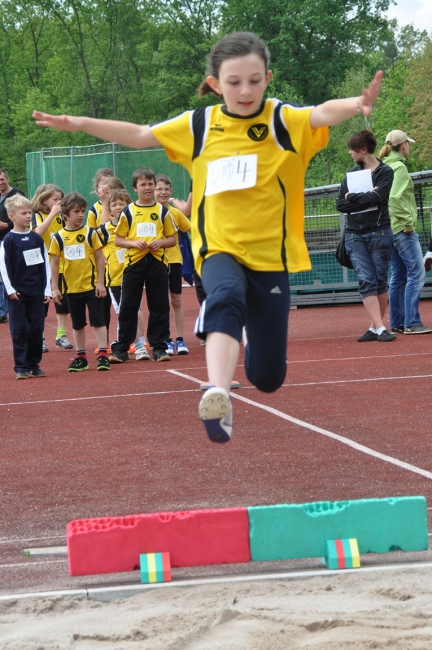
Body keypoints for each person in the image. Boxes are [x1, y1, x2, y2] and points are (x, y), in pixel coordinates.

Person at [33, 31, 383, 443]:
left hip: (271, 255)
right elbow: (140, 133)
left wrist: (356, 105)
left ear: (267, 78)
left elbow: (322, 112)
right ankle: (217, 392)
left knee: (268, 376)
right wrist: (78, 123)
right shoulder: (198, 125)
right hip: (218, 246)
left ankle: (248, 341)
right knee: (225, 296)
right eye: (234, 82)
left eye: (254, 80)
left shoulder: (281, 121)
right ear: (216, 84)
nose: (246, 90)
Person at [106, 168, 176, 364]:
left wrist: (160, 242)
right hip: (134, 262)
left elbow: (172, 239)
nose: (147, 187)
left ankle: (159, 347)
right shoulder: (128, 211)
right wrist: (134, 243)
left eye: (150, 184)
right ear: (135, 188)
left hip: (157, 262)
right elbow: (119, 240)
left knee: (159, 305)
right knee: (128, 305)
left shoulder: (162, 211)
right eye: (143, 184)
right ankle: (121, 349)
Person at [336, 130, 395, 342]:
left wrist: (352, 196)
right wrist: (364, 199)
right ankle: (380, 328)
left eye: (352, 149)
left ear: (363, 149)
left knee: (379, 279)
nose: (350, 152)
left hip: (379, 232)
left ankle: (374, 327)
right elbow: (340, 204)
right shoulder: (351, 174)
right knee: (365, 279)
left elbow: (378, 198)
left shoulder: (385, 172)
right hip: (354, 235)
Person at [49, 192, 110, 372]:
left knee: (98, 321)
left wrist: (100, 283)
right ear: (65, 214)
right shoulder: (59, 237)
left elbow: (100, 258)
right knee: (77, 323)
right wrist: (55, 288)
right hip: (71, 288)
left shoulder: (90, 233)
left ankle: (103, 355)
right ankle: (81, 357)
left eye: (83, 210)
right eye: (76, 211)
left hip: (92, 287)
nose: (81, 215)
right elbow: (54, 263)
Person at [379, 130, 432, 335]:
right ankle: (412, 321)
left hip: (390, 228)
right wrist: (408, 223)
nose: (409, 147)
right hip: (402, 228)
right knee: (416, 273)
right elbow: (395, 199)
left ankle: (399, 322)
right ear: (403, 146)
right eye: (408, 144)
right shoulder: (399, 167)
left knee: (398, 276)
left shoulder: (383, 166)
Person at [0, 195, 51, 379]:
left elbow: (44, 264)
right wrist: (10, 289)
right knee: (19, 329)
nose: (29, 216)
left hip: (36, 292)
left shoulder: (36, 239)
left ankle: (33, 364)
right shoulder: (8, 240)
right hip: (17, 295)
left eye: (30, 212)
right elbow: (4, 267)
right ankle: (21, 366)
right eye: (24, 213)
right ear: (12, 216)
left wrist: (47, 290)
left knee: (36, 329)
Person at [31, 183, 74, 352]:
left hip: (61, 264)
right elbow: (36, 233)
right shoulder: (36, 215)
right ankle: (39, 337)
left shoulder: (61, 215)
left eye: (60, 199)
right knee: (42, 302)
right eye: (55, 199)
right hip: (42, 264)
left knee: (62, 299)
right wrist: (52, 215)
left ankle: (61, 335)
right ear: (44, 200)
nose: (59, 202)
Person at [154, 174, 191, 355]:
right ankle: (165, 339)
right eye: (159, 189)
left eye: (166, 189)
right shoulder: (146, 213)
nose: (163, 192)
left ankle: (180, 339)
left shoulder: (176, 214)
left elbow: (192, 229)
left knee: (176, 300)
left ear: (171, 192)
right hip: (155, 262)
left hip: (174, 261)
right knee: (160, 303)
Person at [0, 170, 25, 324]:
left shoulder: (16, 194)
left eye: (2, 179)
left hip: (10, 239)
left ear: (7, 179)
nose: (0, 182)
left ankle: (3, 311)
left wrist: (7, 225)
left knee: (6, 276)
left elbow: (24, 215)